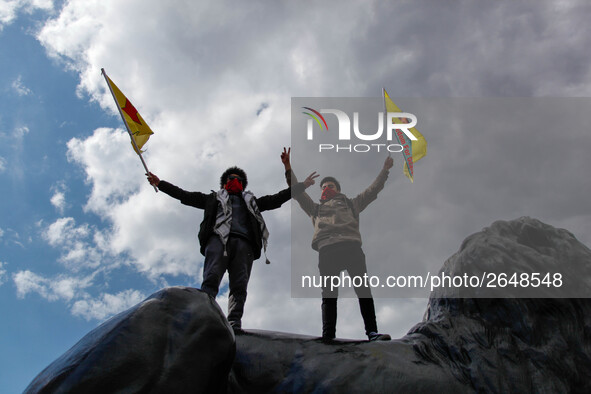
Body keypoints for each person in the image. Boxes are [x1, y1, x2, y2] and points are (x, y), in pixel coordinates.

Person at [147, 160, 316, 334]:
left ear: (243, 185)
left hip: (244, 245)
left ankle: (234, 323)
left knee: (239, 285)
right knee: (211, 279)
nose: (234, 180)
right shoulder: (212, 199)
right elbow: (185, 195)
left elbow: (276, 199)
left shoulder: (252, 203)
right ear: (224, 183)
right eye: (230, 178)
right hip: (217, 241)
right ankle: (204, 317)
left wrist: (302, 185)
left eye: (238, 179)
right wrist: (161, 184)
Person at [282, 147, 393, 342]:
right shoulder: (315, 209)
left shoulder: (352, 204)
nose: (326, 188)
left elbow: (373, 190)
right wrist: (288, 167)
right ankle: (328, 336)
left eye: (330, 185)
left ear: (338, 190)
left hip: (351, 247)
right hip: (327, 250)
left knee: (363, 290)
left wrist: (385, 170)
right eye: (324, 186)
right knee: (329, 295)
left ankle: (372, 332)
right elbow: (298, 194)